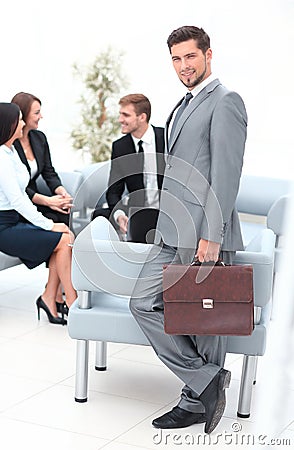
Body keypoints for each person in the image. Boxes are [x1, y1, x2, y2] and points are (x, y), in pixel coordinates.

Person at [130, 26, 247, 434]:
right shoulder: (182, 103)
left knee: (204, 320)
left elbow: (226, 175)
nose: (183, 66)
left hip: (203, 231)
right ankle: (205, 380)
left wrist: (212, 233)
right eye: (176, 59)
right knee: (142, 303)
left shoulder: (226, 101)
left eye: (190, 57)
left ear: (208, 55)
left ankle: (194, 399)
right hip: (172, 229)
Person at [0, 103, 77, 325]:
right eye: (20, 120)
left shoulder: (11, 150)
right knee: (64, 238)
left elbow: (23, 194)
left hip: (13, 220)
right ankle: (72, 302)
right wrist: (48, 225)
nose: (24, 123)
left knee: (64, 239)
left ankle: (50, 298)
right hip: (4, 226)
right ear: (10, 124)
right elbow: (17, 200)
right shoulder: (2, 158)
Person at [92, 93, 165, 243]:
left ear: (142, 117)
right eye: (120, 114)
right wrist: (119, 215)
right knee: (99, 216)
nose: (120, 120)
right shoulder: (120, 147)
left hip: (168, 211)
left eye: (125, 115)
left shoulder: (166, 138)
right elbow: (113, 191)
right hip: (138, 213)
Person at [11, 92, 73, 225]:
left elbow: (48, 172)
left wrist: (62, 192)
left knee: (62, 213)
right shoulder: (8, 144)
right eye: (37, 113)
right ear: (22, 114)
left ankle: (66, 245)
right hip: (20, 201)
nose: (41, 116)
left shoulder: (39, 138)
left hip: (35, 197)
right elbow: (15, 186)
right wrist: (48, 201)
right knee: (52, 220)